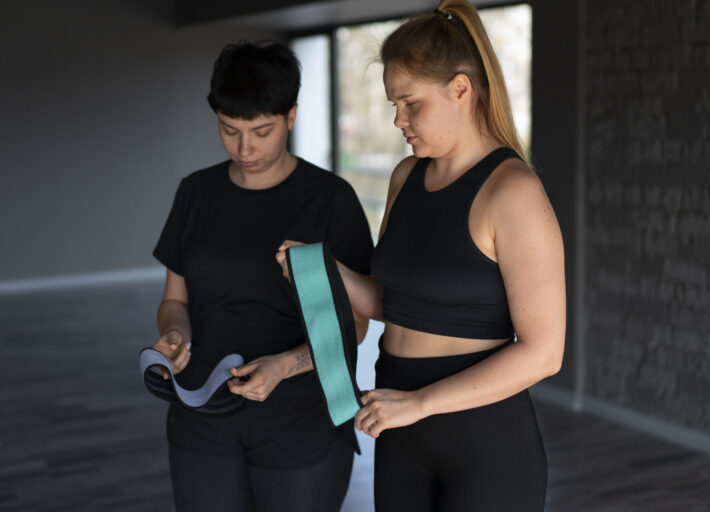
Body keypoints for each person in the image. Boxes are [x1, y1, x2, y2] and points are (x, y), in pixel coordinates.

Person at [279, 1, 565, 510]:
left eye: (410, 104)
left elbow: (544, 353)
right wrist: (325, 269)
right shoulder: (406, 178)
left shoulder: (512, 191)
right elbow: (396, 304)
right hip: (400, 427)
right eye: (394, 105)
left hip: (484, 440)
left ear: (460, 88)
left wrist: (421, 404)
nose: (398, 120)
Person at [151, 41, 373, 512]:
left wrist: (284, 365)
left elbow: (353, 327)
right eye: (229, 130)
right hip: (201, 408)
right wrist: (173, 333)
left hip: (302, 415)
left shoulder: (330, 201)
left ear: (291, 116)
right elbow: (176, 300)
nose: (244, 148)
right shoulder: (196, 194)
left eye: (262, 131)